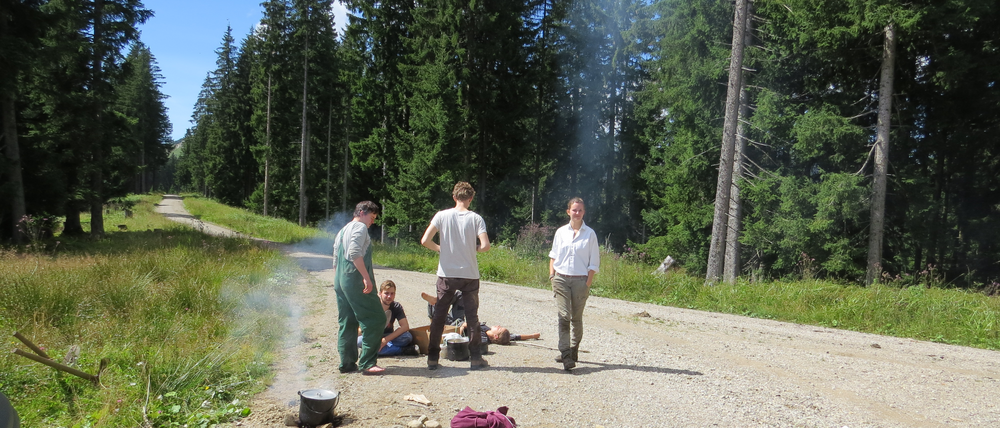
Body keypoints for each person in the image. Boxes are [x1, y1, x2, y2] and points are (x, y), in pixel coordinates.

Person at [420, 181, 491, 370]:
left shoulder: (442, 216)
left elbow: (425, 240)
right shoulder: (476, 218)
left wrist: (440, 249)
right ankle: (475, 358)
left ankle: (433, 358)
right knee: (472, 316)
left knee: (439, 316)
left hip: (446, 274)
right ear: (471, 198)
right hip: (469, 274)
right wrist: (473, 247)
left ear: (454, 197)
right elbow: (485, 246)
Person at [333, 201, 387, 375]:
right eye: (371, 217)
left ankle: (347, 363)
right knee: (376, 318)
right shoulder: (359, 228)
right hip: (355, 279)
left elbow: (336, 260)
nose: (372, 222)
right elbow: (354, 252)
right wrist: (365, 277)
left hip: (340, 281)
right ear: (362, 212)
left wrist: (341, 281)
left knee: (347, 322)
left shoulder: (342, 231)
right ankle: (367, 363)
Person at [548, 197, 600, 371]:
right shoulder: (561, 232)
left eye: (580, 210)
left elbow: (594, 262)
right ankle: (565, 354)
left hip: (580, 281)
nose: (577, 213)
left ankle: (573, 349)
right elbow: (553, 255)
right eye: (574, 210)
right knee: (563, 316)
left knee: (576, 319)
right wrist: (552, 276)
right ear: (568, 211)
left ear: (584, 212)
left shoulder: (590, 234)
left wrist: (588, 282)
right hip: (561, 278)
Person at [421, 292, 540, 346]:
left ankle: (435, 305)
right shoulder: (493, 331)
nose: (498, 325)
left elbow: (463, 342)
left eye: (499, 328)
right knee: (462, 295)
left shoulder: (483, 339)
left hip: (453, 326)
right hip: (458, 318)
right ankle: (439, 299)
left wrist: (463, 328)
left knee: (436, 310)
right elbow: (516, 337)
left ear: (496, 336)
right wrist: (533, 335)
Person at [358, 280, 419, 356]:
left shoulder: (396, 306)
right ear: (380, 293)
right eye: (386, 293)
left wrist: (385, 340)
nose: (389, 296)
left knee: (407, 337)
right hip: (373, 336)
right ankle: (402, 350)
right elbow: (359, 330)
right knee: (359, 341)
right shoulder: (372, 306)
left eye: (392, 293)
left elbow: (405, 326)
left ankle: (371, 352)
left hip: (388, 336)